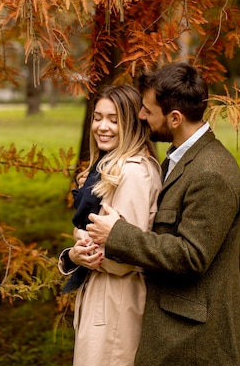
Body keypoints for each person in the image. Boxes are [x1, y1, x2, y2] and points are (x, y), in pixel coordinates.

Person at [87, 62, 240, 366]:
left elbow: (192, 256)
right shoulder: (180, 159)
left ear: (175, 118)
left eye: (148, 111)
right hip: (172, 326)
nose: (140, 116)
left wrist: (118, 235)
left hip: (196, 340)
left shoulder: (211, 172)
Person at [57, 84, 162, 366]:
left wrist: (82, 244)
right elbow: (97, 239)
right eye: (98, 117)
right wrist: (74, 254)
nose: (103, 127)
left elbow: (125, 257)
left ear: (131, 123)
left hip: (116, 300)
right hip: (101, 292)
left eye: (114, 120)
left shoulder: (133, 172)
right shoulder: (107, 167)